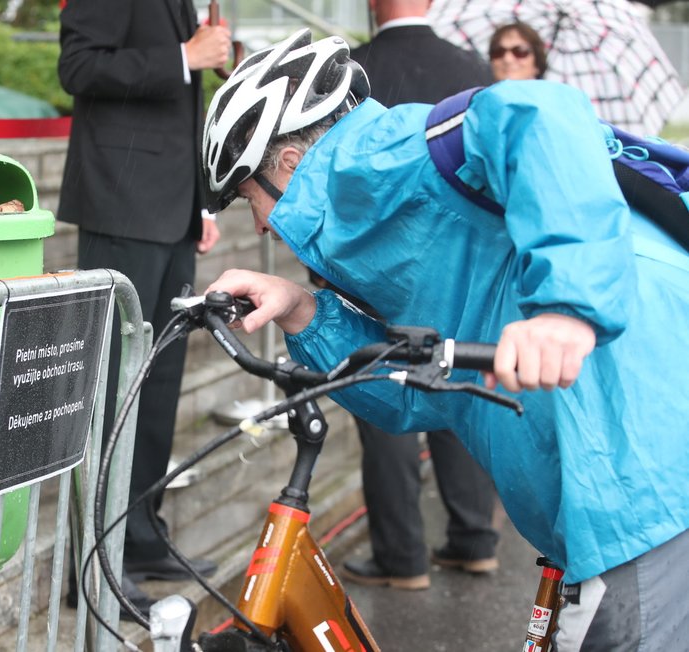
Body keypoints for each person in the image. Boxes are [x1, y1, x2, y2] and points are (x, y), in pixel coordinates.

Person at [200, 29, 689, 651]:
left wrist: (565, 309)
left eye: (249, 199)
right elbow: (426, 396)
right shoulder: (378, 229)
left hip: (642, 472)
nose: (263, 224)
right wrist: (304, 312)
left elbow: (540, 112)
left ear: (292, 167)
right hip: (604, 486)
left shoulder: (379, 160)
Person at [57, 0, 230, 611]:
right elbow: (77, 67)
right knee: (111, 390)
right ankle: (94, 561)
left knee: (157, 387)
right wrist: (184, 56)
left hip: (172, 212)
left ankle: (142, 533)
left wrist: (201, 205)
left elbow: (179, 109)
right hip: (122, 207)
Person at [326, 0, 499, 591]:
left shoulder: (354, 70)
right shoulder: (472, 65)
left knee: (387, 396)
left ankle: (402, 558)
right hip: (459, 265)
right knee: (457, 387)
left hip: (376, 267)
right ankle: (474, 538)